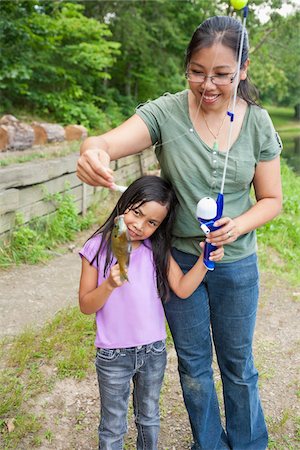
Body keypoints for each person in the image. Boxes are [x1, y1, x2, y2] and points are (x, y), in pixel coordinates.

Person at [77, 15, 282, 450]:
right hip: (180, 258)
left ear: (242, 70)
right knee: (192, 365)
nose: (208, 85)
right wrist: (91, 150)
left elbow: (272, 200)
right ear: (186, 67)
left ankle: (247, 444)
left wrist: (237, 226)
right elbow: (104, 142)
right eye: (197, 72)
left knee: (238, 363)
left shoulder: (259, 123)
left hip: (236, 262)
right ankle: (207, 444)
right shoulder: (166, 113)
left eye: (222, 75)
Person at [79, 175, 224, 449]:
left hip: (153, 351)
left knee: (148, 417)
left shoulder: (156, 249)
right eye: (137, 213)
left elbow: (181, 288)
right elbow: (86, 305)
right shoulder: (96, 247)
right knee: (113, 424)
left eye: (152, 223)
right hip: (113, 355)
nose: (139, 226)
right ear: (125, 203)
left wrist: (206, 261)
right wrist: (109, 284)